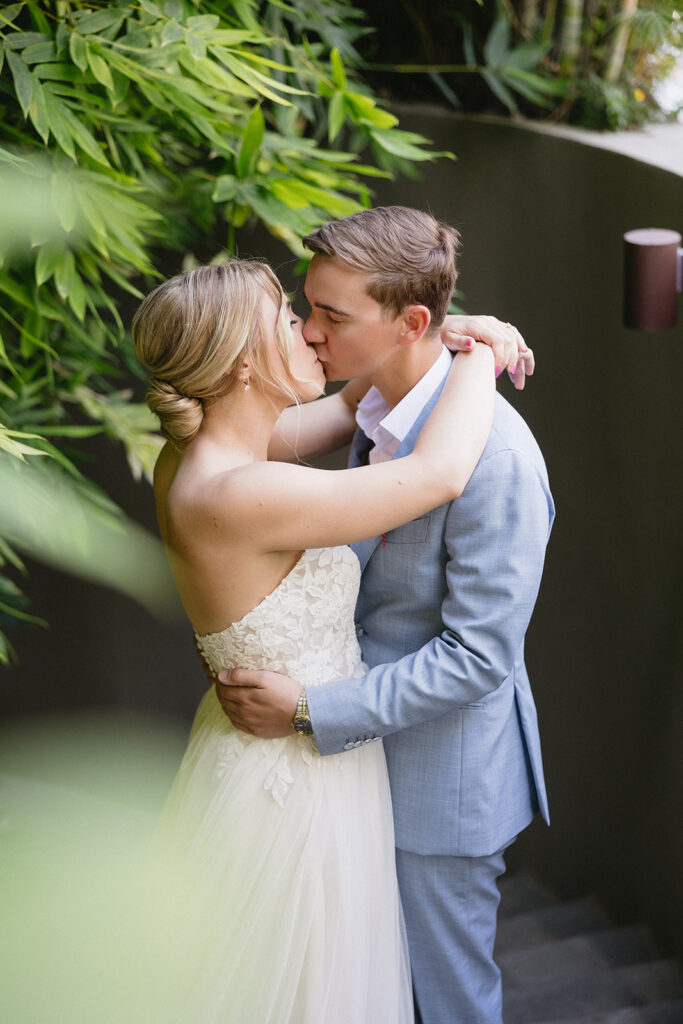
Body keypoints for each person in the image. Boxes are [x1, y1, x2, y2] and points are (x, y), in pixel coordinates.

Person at [131, 254, 523, 1023]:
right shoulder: (244, 491)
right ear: (246, 364)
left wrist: (438, 335)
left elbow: (346, 410)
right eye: (287, 319)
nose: (310, 335)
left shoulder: (204, 452)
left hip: (265, 745)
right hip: (292, 774)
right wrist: (484, 352)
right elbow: (439, 473)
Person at [216, 206, 554, 1024]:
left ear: (408, 323)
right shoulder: (373, 415)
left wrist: (307, 710)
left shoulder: (497, 461)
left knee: (444, 1005)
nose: (308, 333)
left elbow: (478, 657)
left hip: (438, 790)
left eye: (332, 316)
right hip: (356, 778)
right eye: (308, 308)